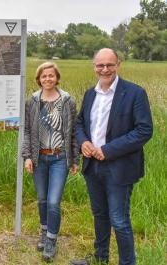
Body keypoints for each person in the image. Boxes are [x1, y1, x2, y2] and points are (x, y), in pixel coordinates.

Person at [71, 48, 153, 265]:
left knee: (119, 219)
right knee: (100, 214)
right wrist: (84, 143)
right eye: (100, 65)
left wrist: (107, 150)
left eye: (109, 65)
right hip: (92, 166)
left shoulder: (135, 93)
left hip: (119, 167)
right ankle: (100, 257)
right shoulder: (90, 94)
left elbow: (144, 130)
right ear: (94, 66)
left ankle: (127, 262)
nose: (105, 69)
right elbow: (79, 123)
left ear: (119, 64)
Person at [22, 62, 79, 262]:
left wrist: (74, 159)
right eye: (44, 76)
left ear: (57, 78)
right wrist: (27, 156)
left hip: (59, 158)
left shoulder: (67, 101)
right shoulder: (32, 101)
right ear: (39, 79)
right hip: (39, 158)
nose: (47, 79)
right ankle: (44, 232)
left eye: (51, 76)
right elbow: (27, 131)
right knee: (42, 200)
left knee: (54, 202)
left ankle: (52, 241)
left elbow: (73, 133)